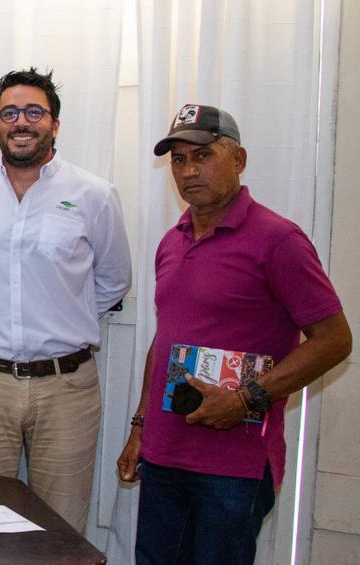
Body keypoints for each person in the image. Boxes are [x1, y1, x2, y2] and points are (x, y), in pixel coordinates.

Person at [117, 104, 351, 565]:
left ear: (238, 160)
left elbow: (335, 340)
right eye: (178, 160)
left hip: (233, 467)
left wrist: (246, 399)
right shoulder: (173, 239)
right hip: (165, 457)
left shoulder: (278, 239)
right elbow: (166, 339)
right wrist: (140, 428)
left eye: (202, 156)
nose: (187, 171)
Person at [0, 67, 132, 530]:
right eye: (9, 112)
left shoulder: (94, 195)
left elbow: (112, 280)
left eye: (33, 112)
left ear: (55, 124)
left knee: (62, 528)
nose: (21, 122)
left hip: (67, 386)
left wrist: (63, 318)